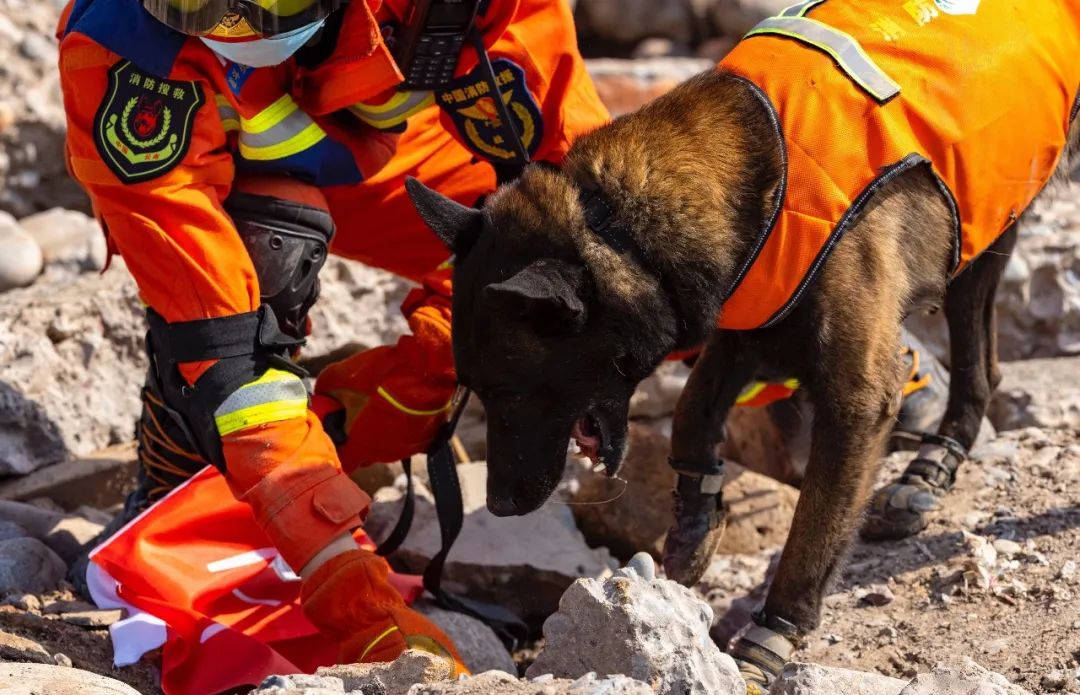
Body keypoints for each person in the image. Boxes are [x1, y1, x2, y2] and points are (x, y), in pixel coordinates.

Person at [57, 0, 609, 671]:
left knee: (561, 270)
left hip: (388, 152)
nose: (232, 22)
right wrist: (354, 600)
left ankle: (331, 440)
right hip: (231, 170)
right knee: (248, 293)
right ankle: (181, 486)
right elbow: (224, 353)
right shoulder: (118, 51)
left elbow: (568, 179)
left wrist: (574, 340)